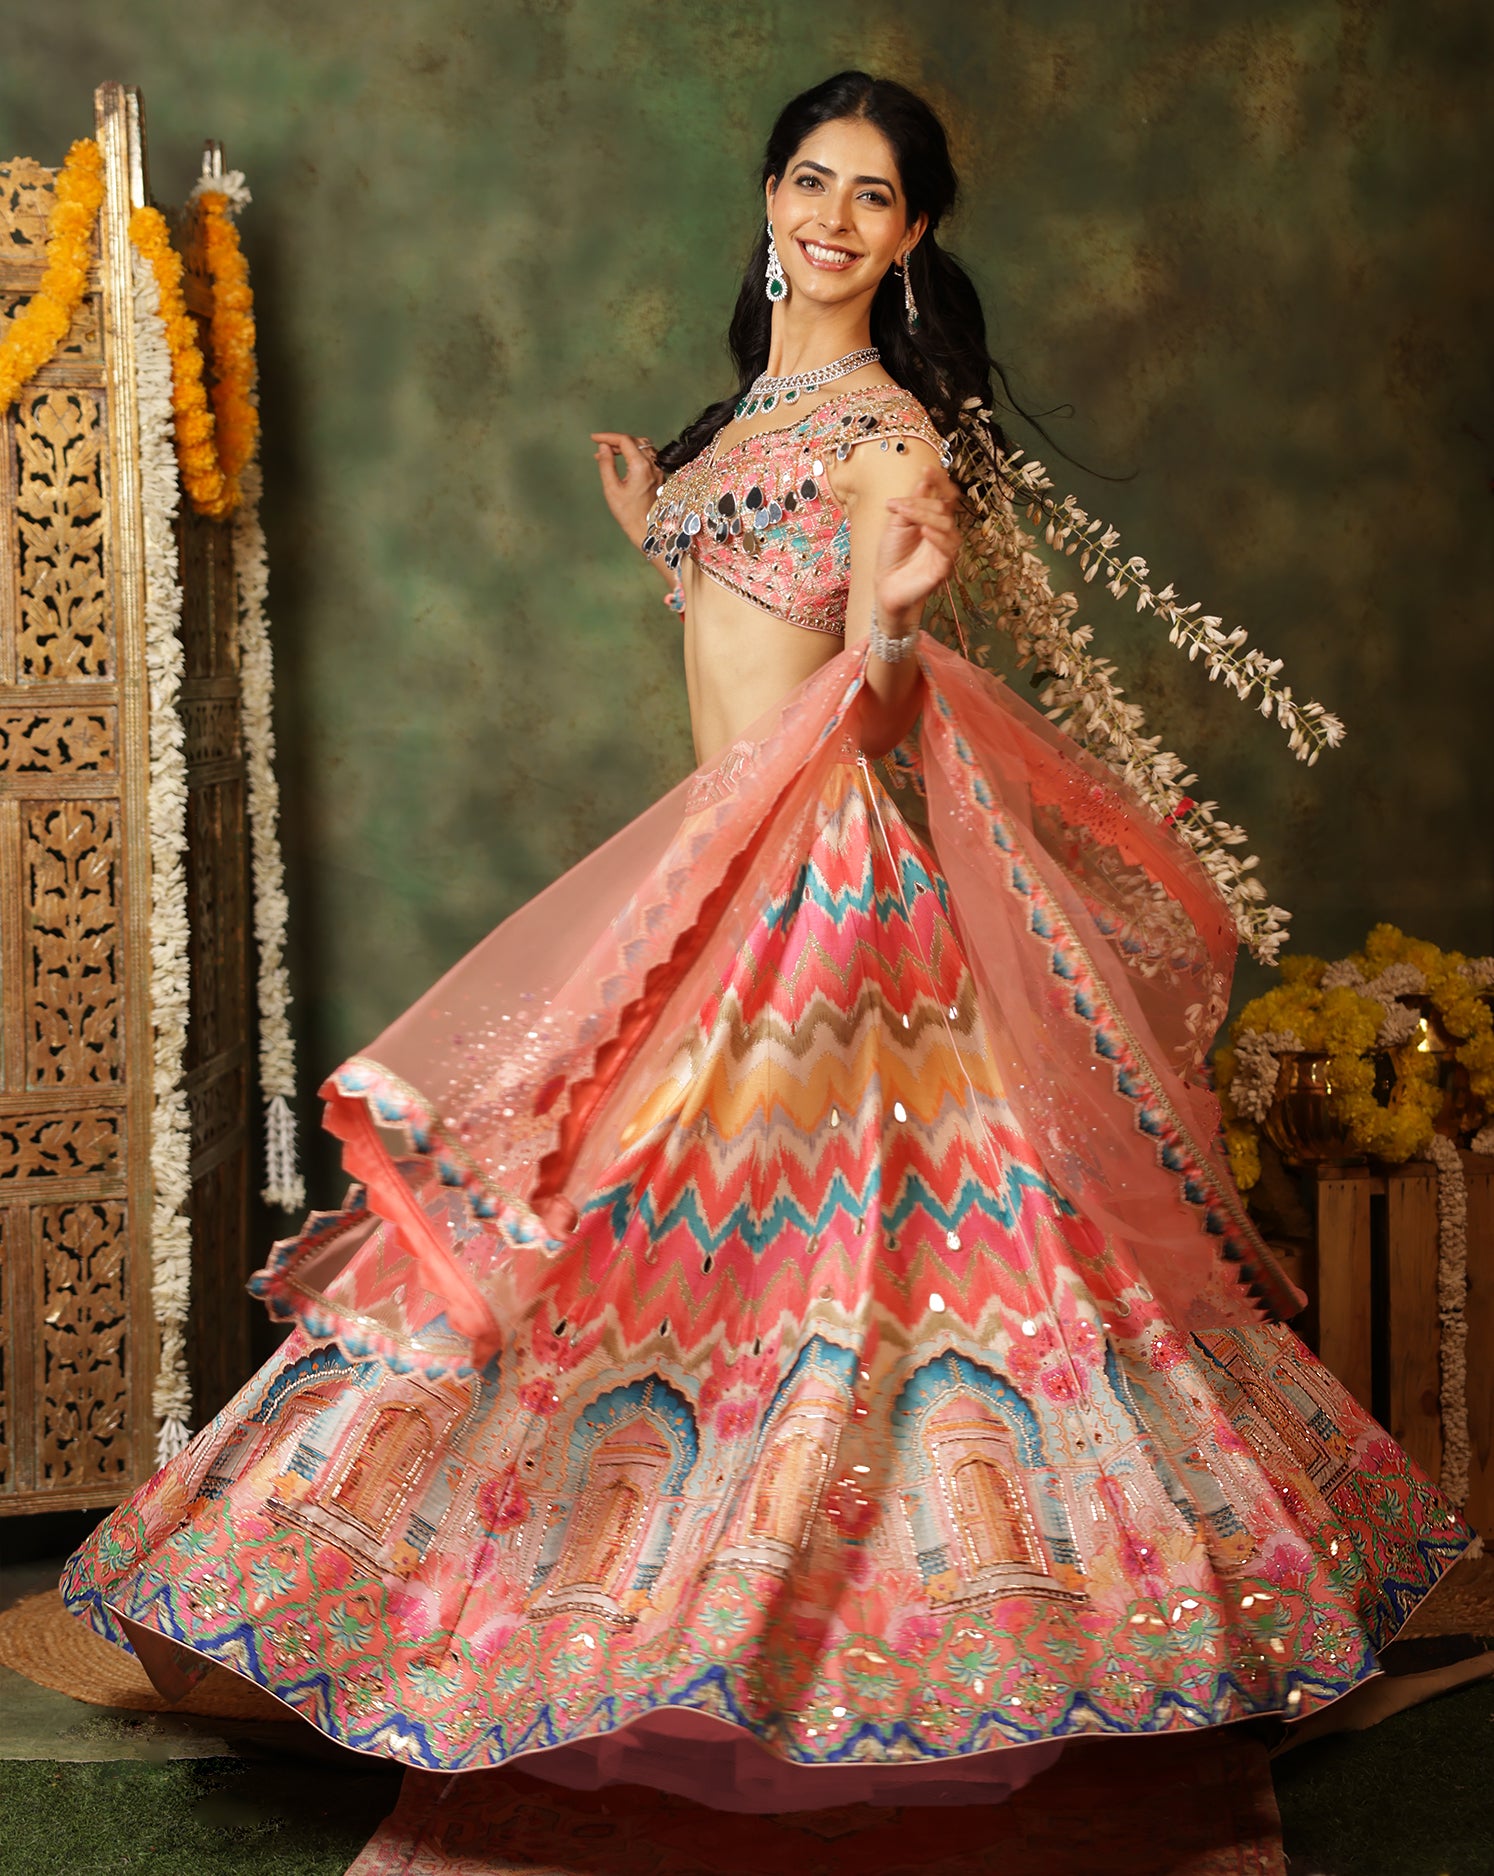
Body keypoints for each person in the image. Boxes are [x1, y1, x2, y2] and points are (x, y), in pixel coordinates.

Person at [63, 70, 1467, 1814]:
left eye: (871, 196)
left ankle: (851, 1631)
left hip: (826, 895)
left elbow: (867, 710)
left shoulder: (888, 437)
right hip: (717, 858)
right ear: (769, 197)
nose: (832, 217)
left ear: (913, 232)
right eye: (811, 180)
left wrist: (894, 628)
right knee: (638, 1229)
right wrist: (660, 526)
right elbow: (743, 621)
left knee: (839, 1267)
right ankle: (623, 1608)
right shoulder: (744, 425)